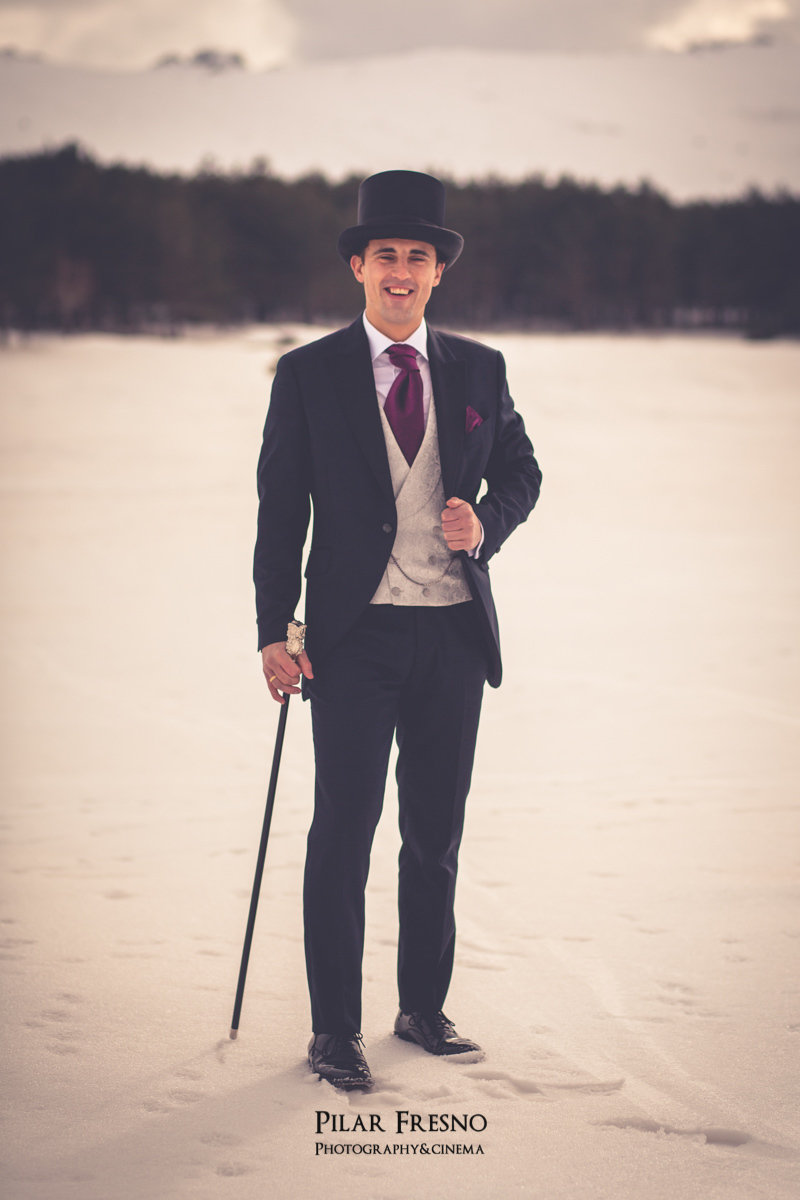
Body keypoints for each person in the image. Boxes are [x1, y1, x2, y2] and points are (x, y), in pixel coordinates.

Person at [254, 169, 541, 1090]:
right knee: (344, 831)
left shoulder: (479, 368)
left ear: (438, 271)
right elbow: (279, 514)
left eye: (419, 256)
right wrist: (274, 630)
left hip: (452, 635)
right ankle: (333, 1030)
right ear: (359, 266)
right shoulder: (307, 374)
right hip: (352, 638)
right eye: (387, 254)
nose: (402, 271)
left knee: (434, 835)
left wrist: (484, 522)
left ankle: (421, 1007)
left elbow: (524, 471)